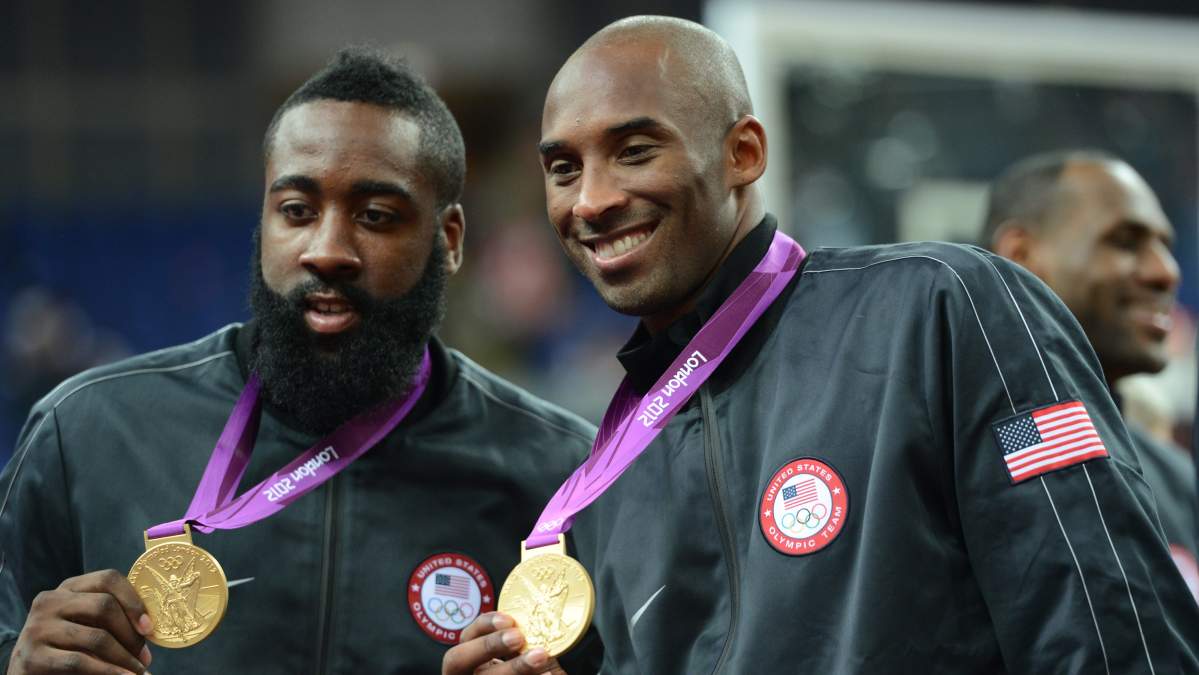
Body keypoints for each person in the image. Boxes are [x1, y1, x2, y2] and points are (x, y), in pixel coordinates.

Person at [444, 15, 1199, 675]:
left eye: (635, 150)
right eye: (564, 169)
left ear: (743, 153)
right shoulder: (602, 487)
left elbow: (1108, 622)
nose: (591, 199)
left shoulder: (942, 306)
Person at [0, 48, 602, 674]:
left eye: (375, 216)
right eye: (296, 211)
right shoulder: (87, 432)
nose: (327, 249)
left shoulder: (562, 479)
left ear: (447, 241)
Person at [984, 149, 1199, 602]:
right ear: (1021, 255)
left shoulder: (1173, 475)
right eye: (1125, 241)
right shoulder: (965, 455)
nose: (1166, 272)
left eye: (1165, 246)